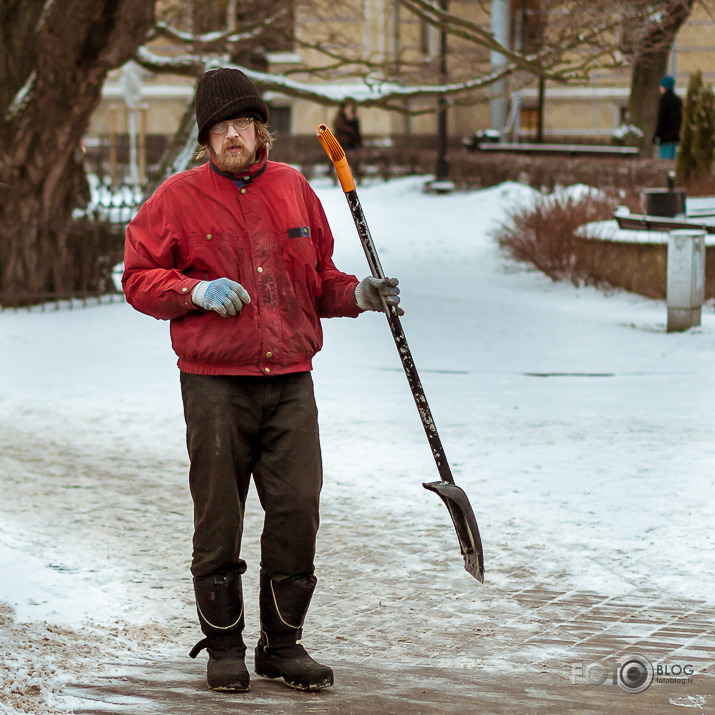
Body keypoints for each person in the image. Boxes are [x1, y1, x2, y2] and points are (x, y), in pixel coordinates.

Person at [122, 68, 401, 694]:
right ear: (206, 140)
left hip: (291, 378)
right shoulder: (175, 198)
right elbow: (139, 277)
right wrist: (193, 290)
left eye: (240, 125)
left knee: (299, 505)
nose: (230, 138)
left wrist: (357, 292)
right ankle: (224, 647)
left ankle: (283, 645)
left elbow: (319, 277)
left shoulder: (295, 188)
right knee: (219, 514)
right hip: (215, 382)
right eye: (217, 129)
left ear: (260, 129)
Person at [653, 75, 682, 160]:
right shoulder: (678, 101)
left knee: (665, 160)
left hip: (665, 138)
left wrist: (657, 135)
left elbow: (662, 119)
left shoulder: (663, 101)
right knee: (673, 160)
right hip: (675, 137)